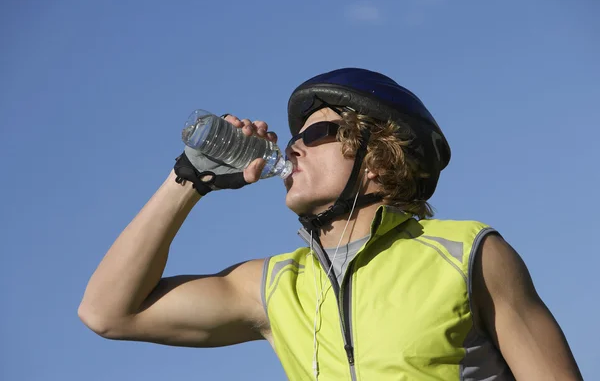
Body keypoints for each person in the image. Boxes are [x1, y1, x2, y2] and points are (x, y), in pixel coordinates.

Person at [78, 68, 583, 380]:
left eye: (314, 132)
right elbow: (107, 313)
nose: (291, 146)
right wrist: (190, 178)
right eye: (294, 136)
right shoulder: (275, 286)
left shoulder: (468, 252)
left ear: (377, 158)